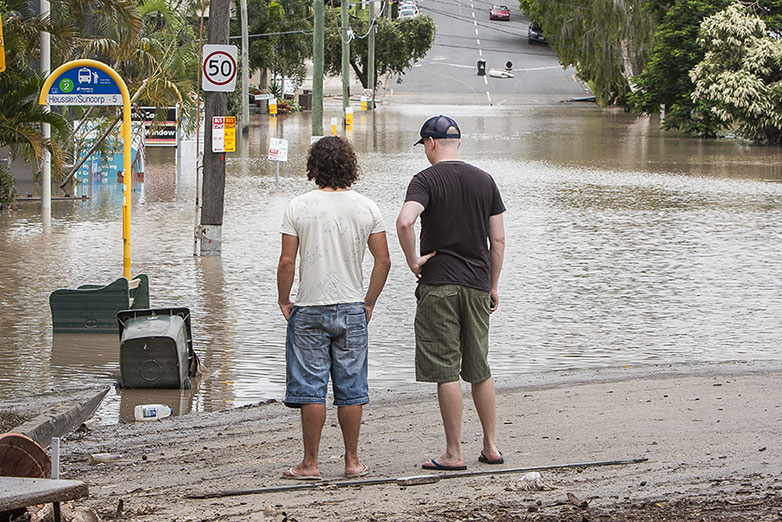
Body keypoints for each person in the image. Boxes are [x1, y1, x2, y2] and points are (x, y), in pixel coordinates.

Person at [277, 136, 391, 480]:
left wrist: (284, 299)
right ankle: (352, 461)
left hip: (309, 307)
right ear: (350, 166)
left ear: (314, 166)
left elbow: (286, 261)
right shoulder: (367, 207)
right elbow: (383, 261)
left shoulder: (298, 206)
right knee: (351, 386)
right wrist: (368, 302)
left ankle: (310, 464)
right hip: (352, 307)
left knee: (311, 387)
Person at [396, 115, 506, 471]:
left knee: (446, 370)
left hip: (439, 283)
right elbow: (499, 239)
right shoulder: (485, 180)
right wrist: (492, 284)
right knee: (479, 369)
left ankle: (453, 452)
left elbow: (405, 221)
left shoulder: (425, 179)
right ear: (457, 142)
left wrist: (413, 260)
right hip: (476, 285)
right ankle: (491, 447)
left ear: (430, 143)